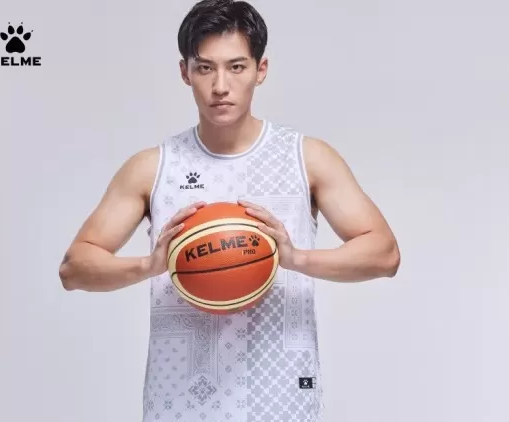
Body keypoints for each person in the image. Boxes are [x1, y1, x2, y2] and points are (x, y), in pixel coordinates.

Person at [59, 0, 401, 420]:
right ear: (185, 72)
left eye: (236, 67)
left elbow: (384, 254)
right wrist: (149, 266)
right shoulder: (153, 167)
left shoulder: (307, 158)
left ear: (261, 69)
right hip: (179, 406)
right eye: (205, 68)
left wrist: (294, 258)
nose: (220, 85)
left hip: (282, 403)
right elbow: (74, 268)